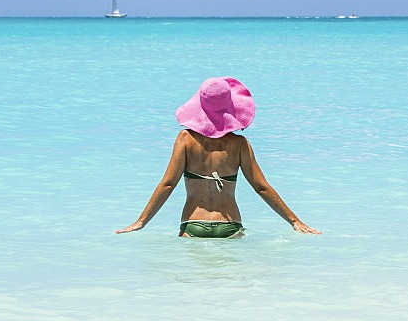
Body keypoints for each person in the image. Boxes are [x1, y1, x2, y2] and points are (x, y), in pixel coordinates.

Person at [115, 77, 320, 238]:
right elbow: (261, 187)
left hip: (193, 225)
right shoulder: (239, 144)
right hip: (230, 226)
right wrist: (294, 221)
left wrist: (141, 221)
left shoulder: (185, 139)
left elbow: (168, 184)